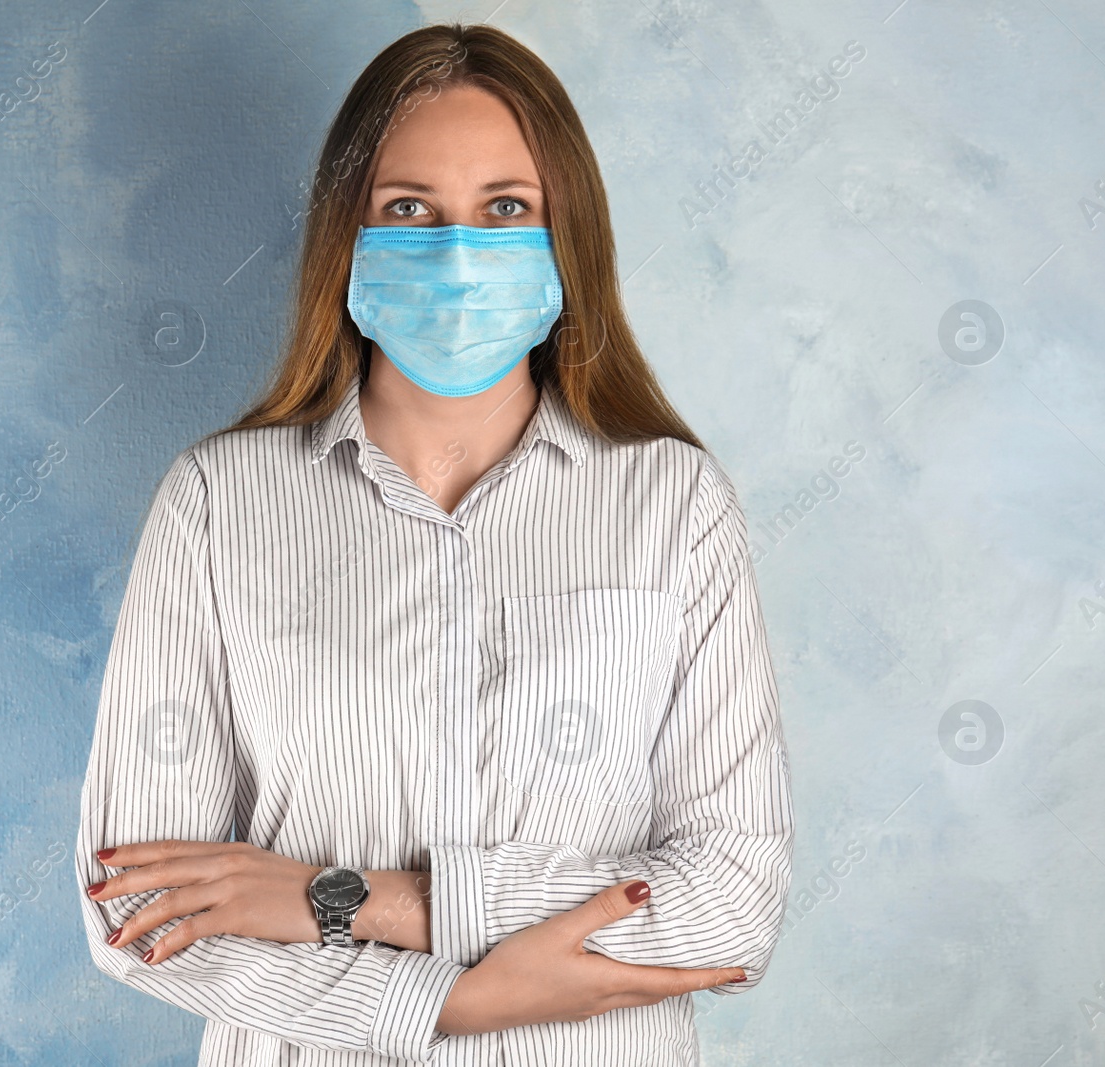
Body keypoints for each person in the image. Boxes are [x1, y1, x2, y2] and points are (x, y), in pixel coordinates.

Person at [76, 21, 793, 1066]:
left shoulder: (673, 504)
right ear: (347, 241)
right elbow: (136, 909)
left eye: (506, 209)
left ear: (565, 242)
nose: (459, 254)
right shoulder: (216, 506)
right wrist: (451, 1006)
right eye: (408, 209)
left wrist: (356, 898)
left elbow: (732, 903)